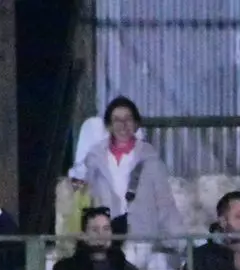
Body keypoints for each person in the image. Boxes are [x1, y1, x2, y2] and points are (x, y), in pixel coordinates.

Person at [76, 96, 182, 255]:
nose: (123, 125)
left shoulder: (151, 160)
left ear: (136, 124)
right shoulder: (94, 160)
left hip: (141, 242)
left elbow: (165, 203)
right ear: (108, 125)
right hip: (105, 242)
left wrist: (180, 241)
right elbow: (85, 197)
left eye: (128, 119)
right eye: (117, 120)